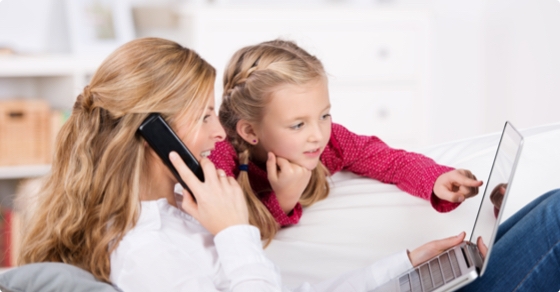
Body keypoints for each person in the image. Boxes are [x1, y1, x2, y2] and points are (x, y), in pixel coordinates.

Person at [15, 37, 559, 291]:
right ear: (151, 134)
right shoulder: (143, 254)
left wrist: (404, 266)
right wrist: (235, 233)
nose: (216, 131)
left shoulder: (183, 213)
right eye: (205, 116)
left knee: (548, 212)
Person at [209, 39, 483, 243]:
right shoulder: (219, 159)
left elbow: (388, 160)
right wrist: (284, 197)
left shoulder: (328, 143)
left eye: (324, 114)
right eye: (298, 124)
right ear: (249, 132)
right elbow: (236, 236)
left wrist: (436, 178)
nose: (318, 134)